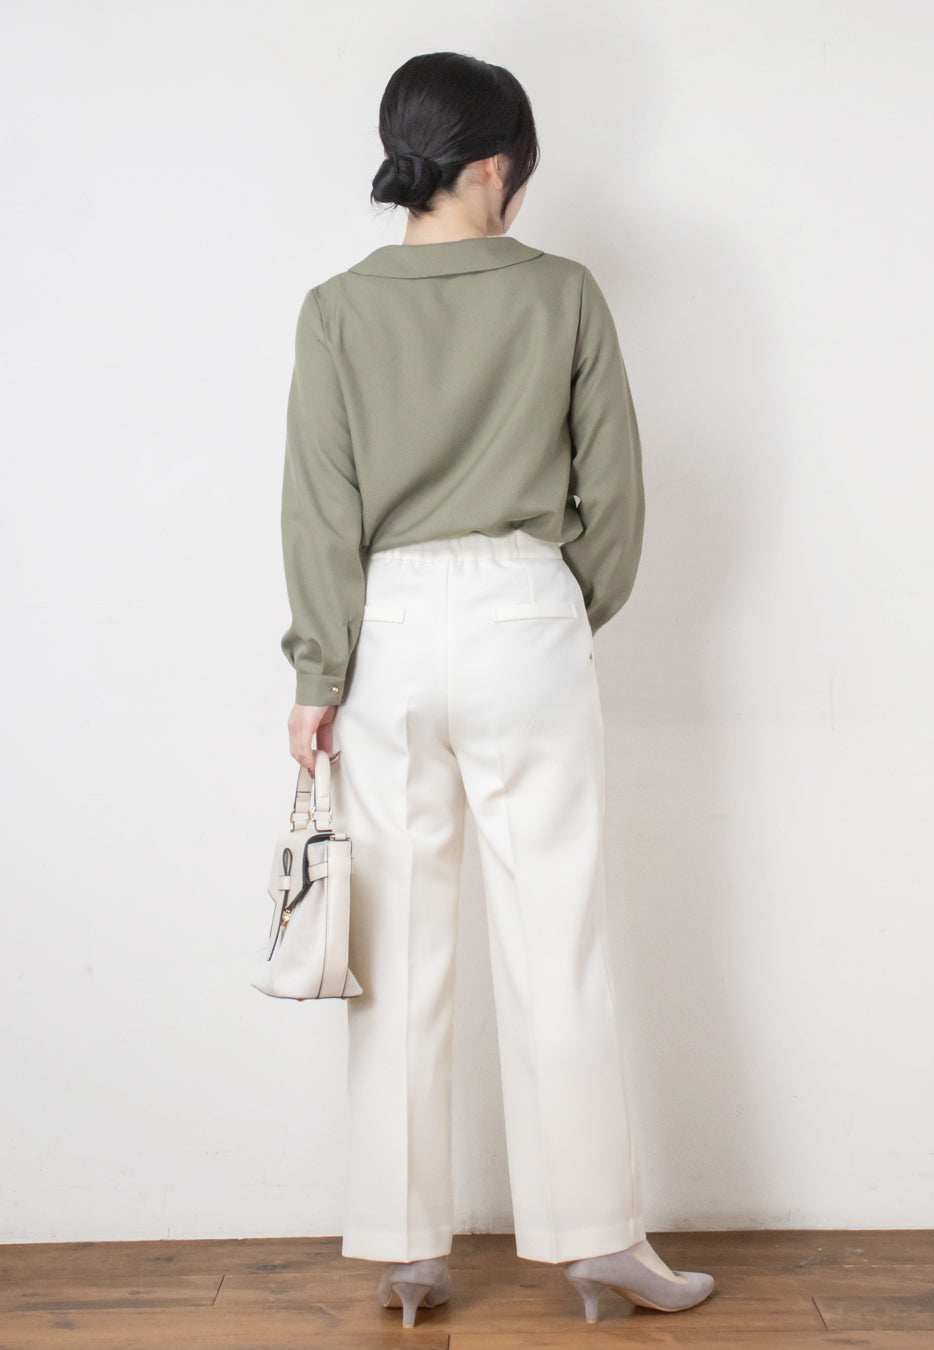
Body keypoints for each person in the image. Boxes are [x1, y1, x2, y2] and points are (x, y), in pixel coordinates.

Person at [277, 50, 714, 1328]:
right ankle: (599, 1242)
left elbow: (319, 510)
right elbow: (614, 492)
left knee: (399, 947)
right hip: (527, 612)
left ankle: (408, 1252)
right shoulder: (561, 293)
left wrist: (318, 670)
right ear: (490, 167)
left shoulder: (337, 308)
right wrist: (567, 606)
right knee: (556, 937)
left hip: (388, 629)